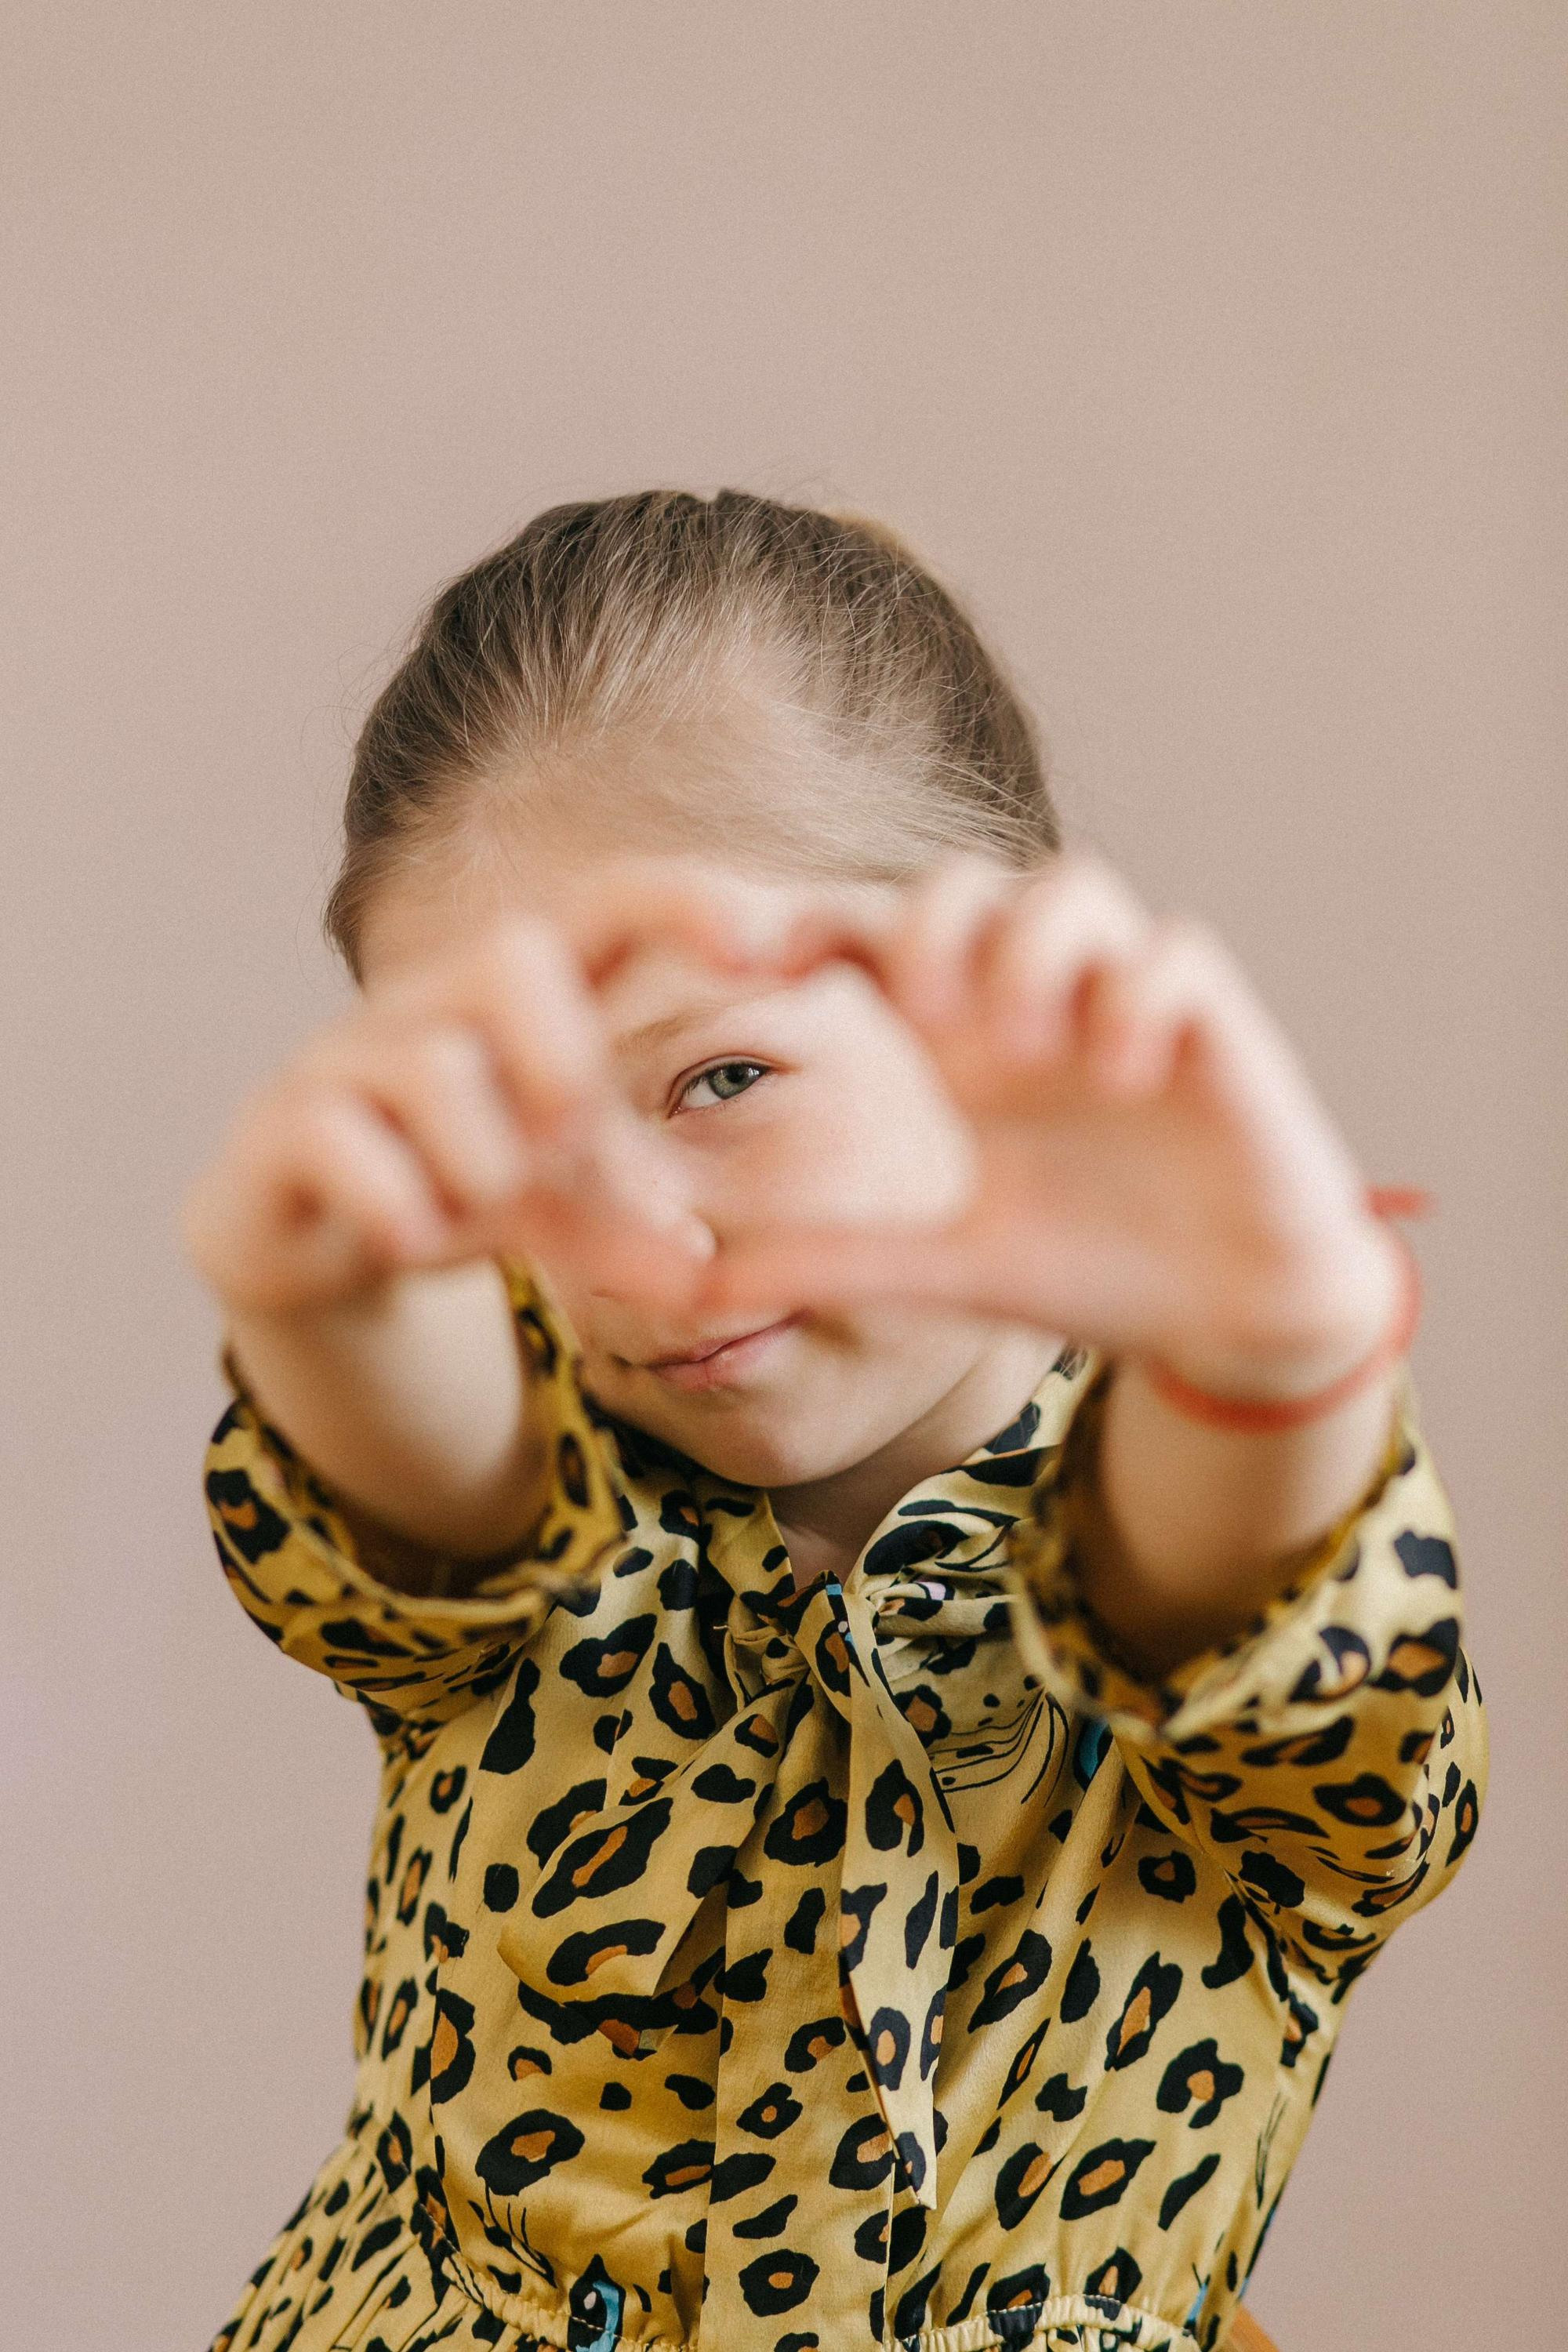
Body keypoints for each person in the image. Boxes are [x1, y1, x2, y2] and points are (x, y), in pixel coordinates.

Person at [184, 492, 1485, 2352]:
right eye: (513, 1136)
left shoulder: (1206, 1529)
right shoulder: (536, 1525)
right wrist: (327, 1294)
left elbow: (1254, 1613)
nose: (635, 1249)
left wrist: (1277, 1346)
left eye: (721, 1076)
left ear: (1002, 994)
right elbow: (416, 1497)